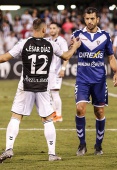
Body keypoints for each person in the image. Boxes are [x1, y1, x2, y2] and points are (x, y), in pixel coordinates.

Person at [0, 18, 81, 163]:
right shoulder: (51, 44)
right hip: (43, 86)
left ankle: (8, 148)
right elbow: (67, 56)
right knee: (47, 119)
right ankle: (52, 154)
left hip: (26, 84)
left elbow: (4, 58)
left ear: (33, 28)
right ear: (44, 30)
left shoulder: (24, 43)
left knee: (16, 116)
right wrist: (75, 47)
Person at [72, 7, 117, 156]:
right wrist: (74, 47)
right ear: (84, 19)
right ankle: (82, 144)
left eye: (92, 18)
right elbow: (69, 52)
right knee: (80, 108)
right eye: (87, 18)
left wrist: (116, 72)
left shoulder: (105, 36)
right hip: (82, 79)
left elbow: (110, 57)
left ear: (98, 19)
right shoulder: (77, 35)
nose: (90, 21)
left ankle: (98, 146)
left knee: (99, 112)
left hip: (99, 80)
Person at [47, 22, 68, 122]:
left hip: (56, 71)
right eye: (50, 28)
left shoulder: (61, 41)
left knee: (55, 93)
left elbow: (66, 56)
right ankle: (54, 113)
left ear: (58, 30)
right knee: (49, 93)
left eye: (54, 28)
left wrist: (63, 69)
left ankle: (59, 115)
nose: (52, 30)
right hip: (47, 72)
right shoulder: (47, 40)